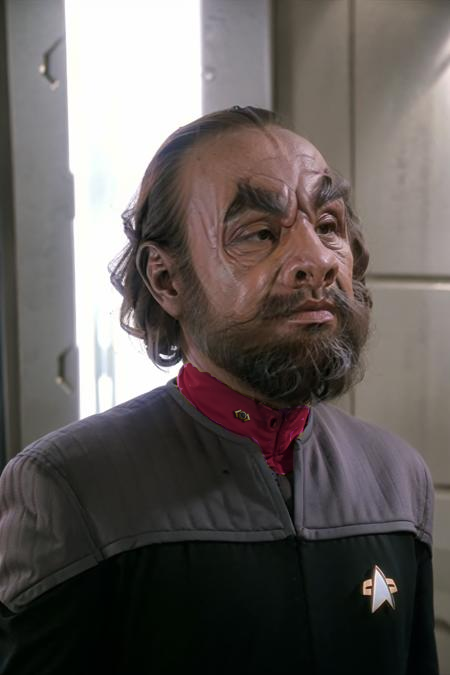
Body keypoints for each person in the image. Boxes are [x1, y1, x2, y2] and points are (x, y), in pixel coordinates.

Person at [0, 107, 439, 675]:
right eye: (259, 233)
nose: (317, 261)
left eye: (328, 225)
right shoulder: (70, 488)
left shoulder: (398, 477)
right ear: (167, 280)